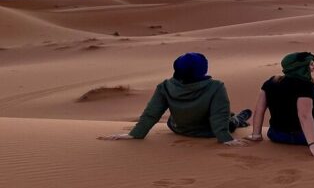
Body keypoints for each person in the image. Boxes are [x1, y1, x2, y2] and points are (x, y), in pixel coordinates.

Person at [98, 52, 251, 146]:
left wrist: (135, 134)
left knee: (225, 116)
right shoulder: (216, 86)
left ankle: (235, 117)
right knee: (230, 121)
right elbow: (218, 116)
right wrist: (226, 139)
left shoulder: (165, 86)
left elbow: (152, 113)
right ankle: (239, 119)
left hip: (178, 128)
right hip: (208, 132)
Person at [245, 52, 314, 158]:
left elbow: (259, 109)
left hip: (277, 135)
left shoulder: (271, 82)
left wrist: (256, 135)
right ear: (300, 68)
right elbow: (304, 116)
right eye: (311, 65)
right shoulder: (305, 86)